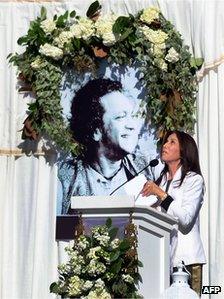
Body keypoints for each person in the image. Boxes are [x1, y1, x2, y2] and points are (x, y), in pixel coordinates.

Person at [58, 78, 155, 214]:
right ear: (95, 131)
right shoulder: (65, 176)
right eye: (121, 117)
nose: (131, 125)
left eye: (132, 116)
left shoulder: (148, 169)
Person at [140, 130, 206, 296]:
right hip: (162, 259)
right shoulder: (161, 181)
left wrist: (161, 195)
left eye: (172, 142)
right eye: (165, 142)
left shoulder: (193, 180)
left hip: (187, 260)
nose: (165, 145)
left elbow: (185, 219)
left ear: (183, 151)